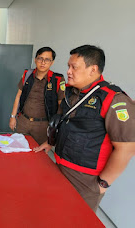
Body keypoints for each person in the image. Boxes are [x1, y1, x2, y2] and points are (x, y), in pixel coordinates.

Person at [34, 45, 135, 212]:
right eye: (68, 66)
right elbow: (62, 122)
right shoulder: (71, 92)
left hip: (85, 179)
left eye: (74, 67)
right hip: (59, 166)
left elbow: (127, 148)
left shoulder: (113, 99)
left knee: (77, 219)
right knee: (55, 213)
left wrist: (103, 184)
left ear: (92, 70)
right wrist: (50, 142)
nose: (68, 71)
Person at [9, 47, 65, 145]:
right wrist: (13, 117)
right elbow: (18, 96)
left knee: (38, 154)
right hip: (23, 121)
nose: (43, 62)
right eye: (40, 58)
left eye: (47, 60)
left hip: (43, 126)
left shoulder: (57, 79)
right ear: (35, 60)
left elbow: (61, 105)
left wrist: (55, 128)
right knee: (18, 149)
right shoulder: (27, 75)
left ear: (52, 62)